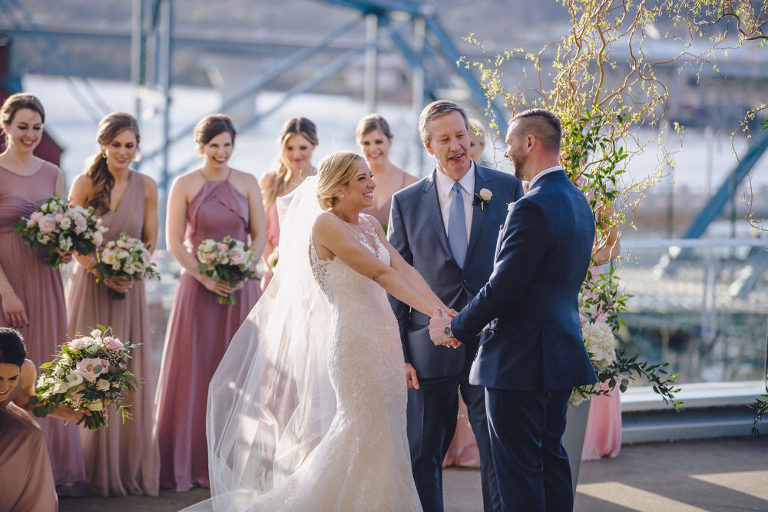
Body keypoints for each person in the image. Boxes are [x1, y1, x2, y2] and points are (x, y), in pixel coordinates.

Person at [192, 152, 452, 512]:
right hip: (355, 342)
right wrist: (436, 315)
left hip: (386, 339)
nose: (372, 184)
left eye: (369, 177)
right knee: (362, 429)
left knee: (390, 430)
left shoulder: (370, 225)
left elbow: (404, 269)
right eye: (362, 178)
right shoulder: (325, 225)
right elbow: (381, 273)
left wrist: (442, 310)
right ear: (339, 187)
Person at [429, 108, 597, 512]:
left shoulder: (531, 206)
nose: (505, 153)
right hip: (557, 356)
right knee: (551, 462)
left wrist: (455, 328)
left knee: (518, 475)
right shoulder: (576, 199)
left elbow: (502, 287)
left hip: (518, 362)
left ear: (529, 143)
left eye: (508, 143)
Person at [388, 100, 524, 512]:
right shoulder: (406, 202)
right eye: (445, 139)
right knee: (423, 455)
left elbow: (519, 268)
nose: (456, 146)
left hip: (493, 344)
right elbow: (396, 281)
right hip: (426, 349)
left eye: (461, 135)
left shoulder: (507, 189)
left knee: (499, 455)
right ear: (429, 146)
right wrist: (401, 353)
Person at [154, 114, 266, 491]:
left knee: (240, 375)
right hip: (198, 291)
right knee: (194, 373)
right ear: (200, 147)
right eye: (213, 145)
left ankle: (235, 464)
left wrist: (240, 272)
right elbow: (173, 242)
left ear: (234, 145)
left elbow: (260, 237)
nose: (221, 152)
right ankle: (188, 463)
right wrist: (204, 275)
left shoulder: (248, 182)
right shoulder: (184, 184)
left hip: (239, 291)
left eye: (227, 145)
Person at [65, 112, 160, 496]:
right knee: (83, 372)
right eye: (116, 144)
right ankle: (79, 465)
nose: (122, 152)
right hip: (91, 286)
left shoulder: (148, 185)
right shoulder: (85, 182)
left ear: (137, 148)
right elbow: (72, 241)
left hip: (129, 291)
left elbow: (150, 242)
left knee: (123, 376)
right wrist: (102, 271)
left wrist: (131, 269)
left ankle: (119, 465)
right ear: (103, 144)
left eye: (130, 146)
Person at [0, 92, 86, 487]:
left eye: (37, 127)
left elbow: (60, 225)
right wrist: (5, 293)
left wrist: (65, 249)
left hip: (45, 279)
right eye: (23, 127)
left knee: (47, 368)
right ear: (5, 127)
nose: (31, 134)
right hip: (6, 282)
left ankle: (48, 470)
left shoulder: (52, 172)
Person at [0, 327, 88, 511]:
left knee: (30, 433)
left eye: (12, 378)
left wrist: (74, 413)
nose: (4, 387)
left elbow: (26, 401)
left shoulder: (26, 369)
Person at [580, 188, 622, 461]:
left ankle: (592, 435)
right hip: (556, 283)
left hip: (591, 288)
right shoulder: (536, 183)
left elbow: (614, 247)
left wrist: (581, 259)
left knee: (595, 353)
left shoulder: (597, 192)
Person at [259, 117, 318, 287]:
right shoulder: (270, 180)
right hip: (275, 270)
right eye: (289, 148)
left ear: (314, 145)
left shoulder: (322, 180)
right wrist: (273, 265)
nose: (296, 154)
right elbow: (260, 231)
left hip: (310, 274)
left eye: (303, 147)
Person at [355, 113, 417, 228]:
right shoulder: (350, 183)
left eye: (378, 142)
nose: (373, 149)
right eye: (366, 143)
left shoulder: (411, 183)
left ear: (390, 141)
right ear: (358, 144)